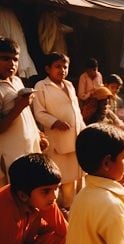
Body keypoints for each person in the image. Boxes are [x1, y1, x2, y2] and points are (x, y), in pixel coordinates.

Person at [0, 153, 67, 244]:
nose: (54, 196)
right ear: (23, 196)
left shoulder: (42, 199)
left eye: (56, 188)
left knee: (58, 235)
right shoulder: (5, 210)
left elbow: (65, 230)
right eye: (46, 191)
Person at [33, 52, 85, 210]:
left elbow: (76, 112)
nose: (62, 70)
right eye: (58, 66)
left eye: (65, 66)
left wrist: (83, 130)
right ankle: (69, 209)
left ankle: (81, 207)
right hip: (58, 139)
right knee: (65, 178)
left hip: (76, 137)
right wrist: (55, 122)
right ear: (48, 69)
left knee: (80, 175)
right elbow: (39, 112)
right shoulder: (41, 86)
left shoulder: (69, 85)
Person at [0, 37, 43, 185]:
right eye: (5, 59)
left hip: (30, 147)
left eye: (15, 59)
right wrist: (20, 106)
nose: (12, 64)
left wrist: (38, 133)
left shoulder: (17, 81)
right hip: (10, 154)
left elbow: (27, 115)